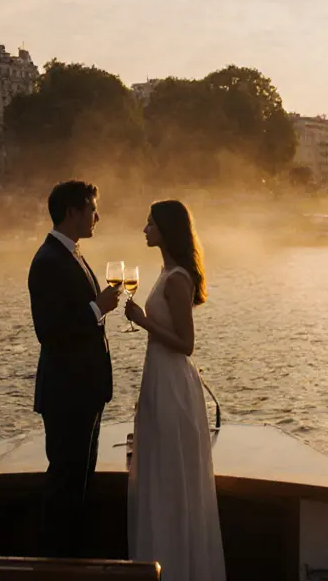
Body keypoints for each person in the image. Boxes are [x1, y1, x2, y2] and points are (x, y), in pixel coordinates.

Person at [124, 200, 226, 581]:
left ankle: (178, 567)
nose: (144, 229)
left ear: (166, 228)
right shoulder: (164, 272)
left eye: (150, 223)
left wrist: (142, 321)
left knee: (172, 476)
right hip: (158, 380)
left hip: (173, 384)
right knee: (159, 472)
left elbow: (186, 344)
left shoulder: (178, 278)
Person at [27, 180, 122, 558]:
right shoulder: (48, 261)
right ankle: (56, 565)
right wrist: (98, 308)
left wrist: (99, 308)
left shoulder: (72, 254)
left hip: (85, 393)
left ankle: (73, 561)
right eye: (92, 209)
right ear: (73, 212)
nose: (97, 216)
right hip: (68, 395)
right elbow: (49, 331)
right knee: (65, 487)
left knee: (80, 485)